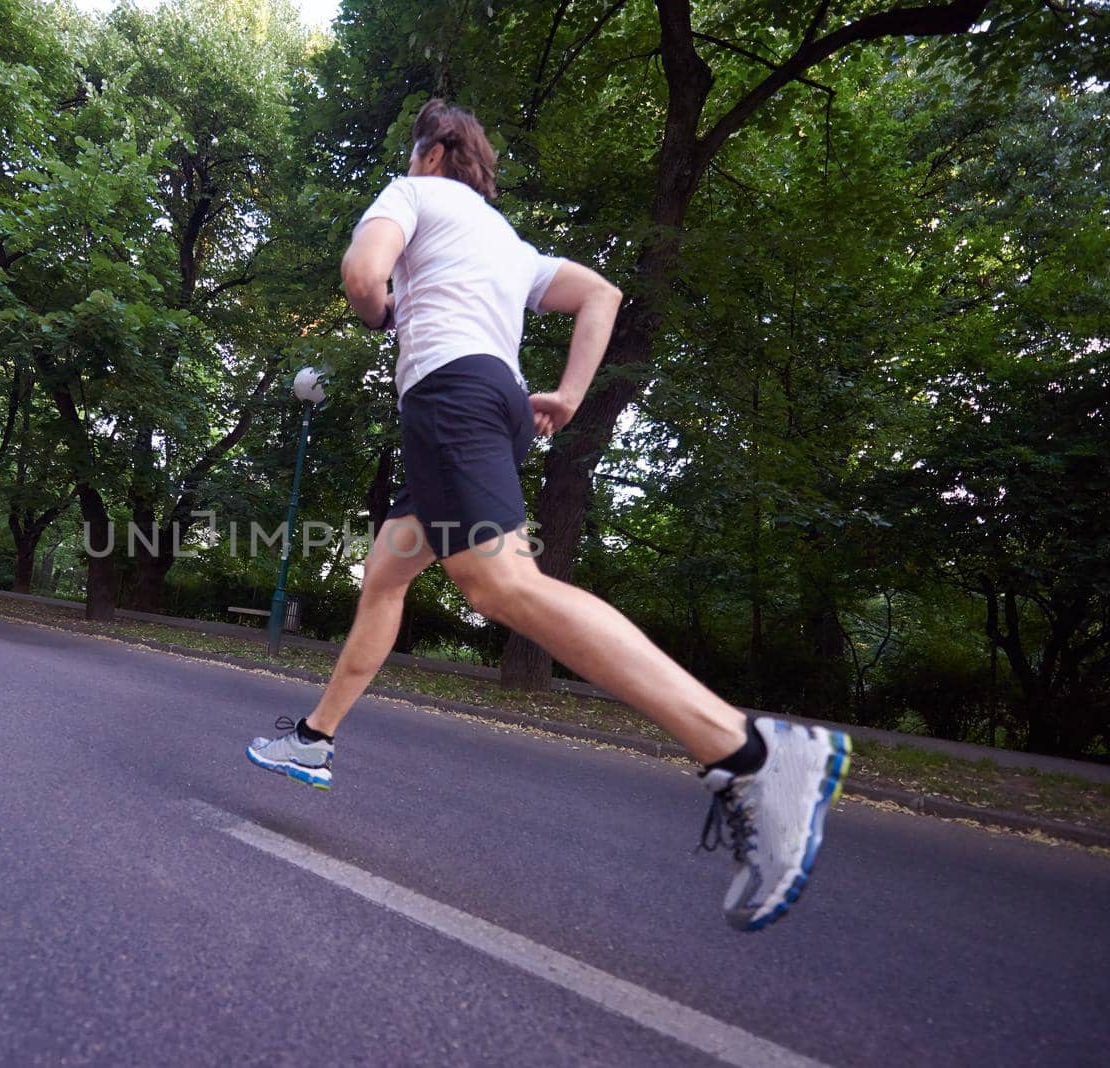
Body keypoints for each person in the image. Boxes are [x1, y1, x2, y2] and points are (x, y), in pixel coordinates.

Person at [245, 99, 850, 932]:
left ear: (428, 155)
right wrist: (567, 394)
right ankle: (316, 737)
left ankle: (750, 754)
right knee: (387, 570)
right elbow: (601, 293)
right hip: (489, 402)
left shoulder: (411, 194)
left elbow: (361, 277)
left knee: (499, 587)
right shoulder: (507, 241)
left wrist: (384, 312)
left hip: (448, 398)